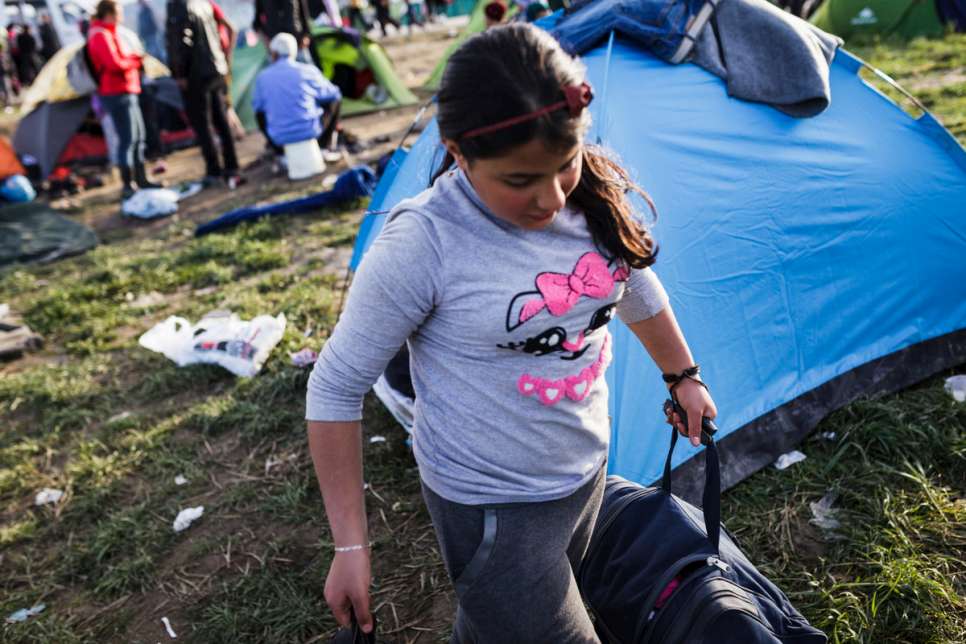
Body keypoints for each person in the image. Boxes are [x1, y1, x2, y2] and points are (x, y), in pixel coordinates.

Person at [306, 23, 718, 643]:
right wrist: (351, 545)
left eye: (565, 165)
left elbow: (628, 281)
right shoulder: (425, 243)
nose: (550, 199)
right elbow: (335, 387)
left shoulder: (591, 198)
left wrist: (682, 375)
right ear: (457, 150)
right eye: (519, 181)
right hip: (492, 506)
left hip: (586, 471)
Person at [87, 0, 160, 199]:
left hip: (128, 89)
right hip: (115, 93)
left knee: (138, 137)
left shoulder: (109, 32)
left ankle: (142, 178)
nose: (122, 15)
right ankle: (128, 184)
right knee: (128, 139)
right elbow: (113, 64)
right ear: (110, 13)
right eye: (119, 11)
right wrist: (136, 60)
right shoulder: (101, 35)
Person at [166, 0, 241, 189]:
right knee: (221, 119)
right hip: (216, 67)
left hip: (195, 73)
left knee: (203, 123)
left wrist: (180, 72)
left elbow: (180, 39)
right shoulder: (204, 3)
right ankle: (232, 165)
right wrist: (224, 58)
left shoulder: (179, 5)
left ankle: (214, 170)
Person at [252, 32, 342, 169]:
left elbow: (257, 107)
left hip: (279, 137)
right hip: (311, 131)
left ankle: (280, 153)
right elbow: (334, 93)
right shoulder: (307, 70)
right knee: (334, 99)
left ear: (274, 53)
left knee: (260, 113)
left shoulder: (262, 77)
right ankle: (325, 146)